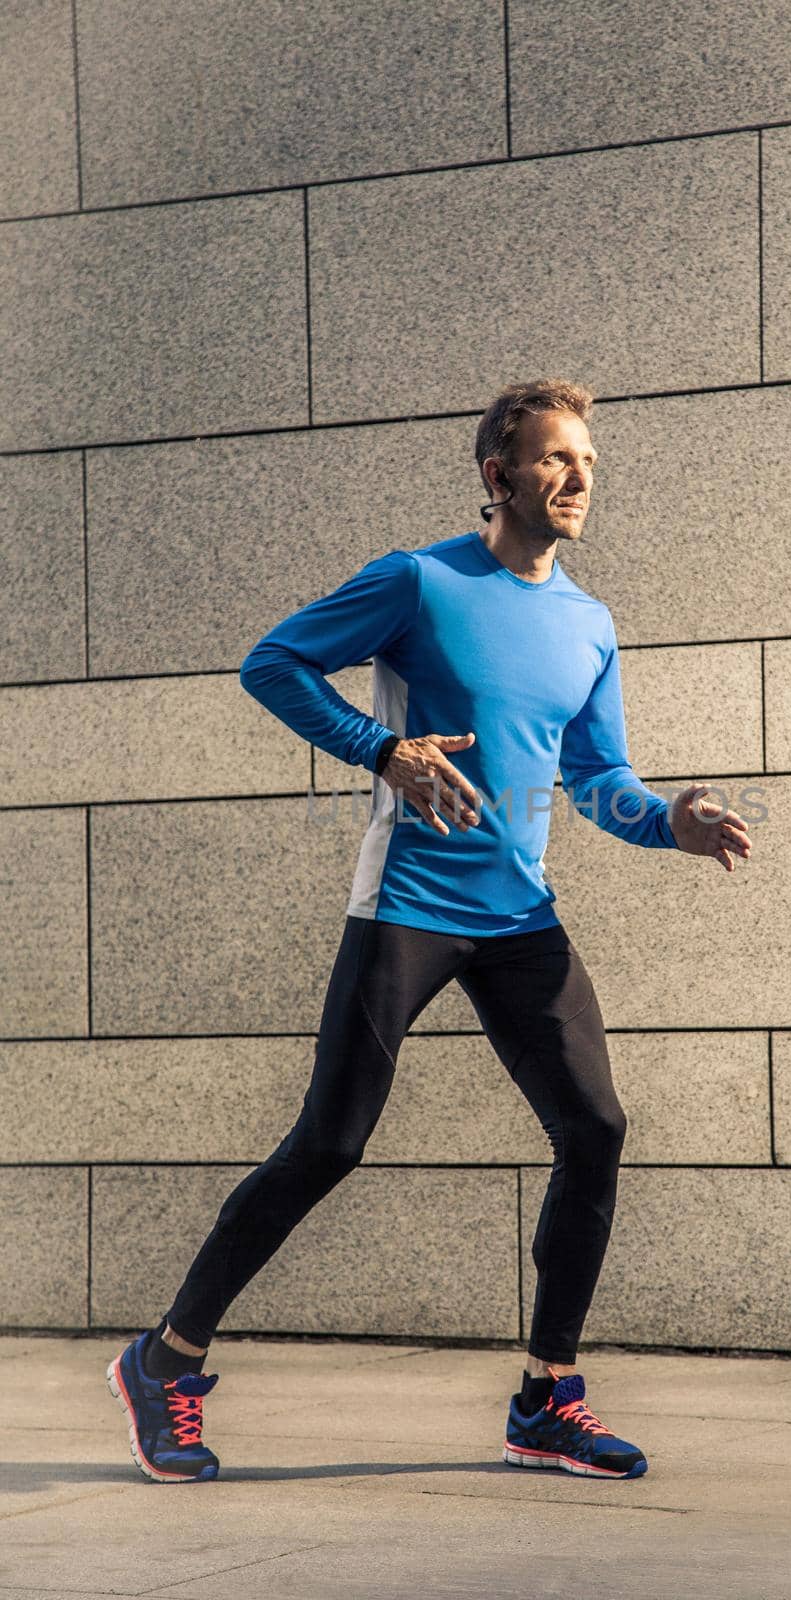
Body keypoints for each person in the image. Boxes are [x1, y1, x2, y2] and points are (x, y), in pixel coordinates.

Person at [105, 377, 752, 1484]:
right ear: (499, 474)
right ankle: (164, 1360)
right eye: (556, 458)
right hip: (405, 904)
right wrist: (379, 749)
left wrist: (671, 825)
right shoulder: (418, 581)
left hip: (517, 918)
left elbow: (599, 782)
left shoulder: (587, 625)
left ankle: (547, 1398)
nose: (580, 476)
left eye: (588, 458)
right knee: (330, 1143)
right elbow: (273, 662)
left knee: (593, 1128)